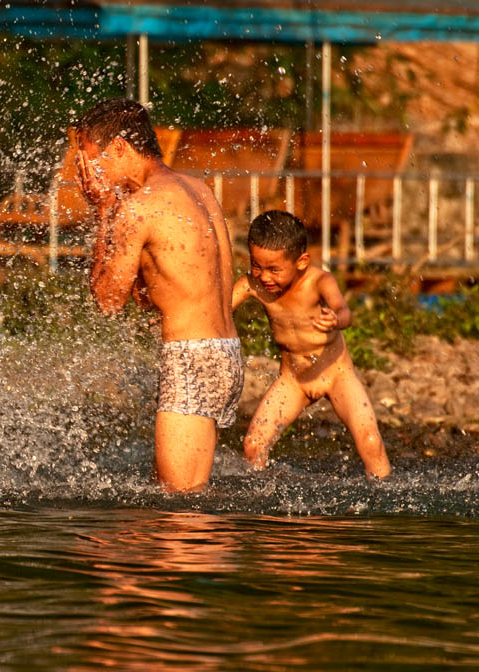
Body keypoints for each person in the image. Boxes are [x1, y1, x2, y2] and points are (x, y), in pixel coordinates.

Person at [71, 98, 242, 492]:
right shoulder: (198, 189)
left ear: (119, 148)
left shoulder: (139, 208)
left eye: (91, 159)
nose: (88, 173)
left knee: (180, 512)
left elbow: (107, 301)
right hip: (224, 351)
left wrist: (102, 212)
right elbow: (162, 285)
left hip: (191, 357)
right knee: (171, 499)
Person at [232, 210, 391, 478]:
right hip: (293, 380)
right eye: (256, 265)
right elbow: (217, 309)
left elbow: (344, 310)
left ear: (302, 261)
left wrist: (336, 319)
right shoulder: (252, 284)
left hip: (337, 375)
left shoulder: (320, 281)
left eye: (274, 269)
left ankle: (384, 499)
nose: (264, 277)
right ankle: (258, 498)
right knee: (253, 445)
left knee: (371, 442)